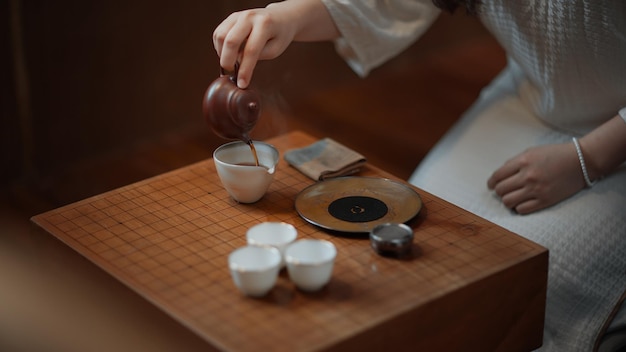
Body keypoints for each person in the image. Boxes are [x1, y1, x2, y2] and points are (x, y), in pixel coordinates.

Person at [212, 1, 626, 351]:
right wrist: (286, 16)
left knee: (537, 280)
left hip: (615, 139)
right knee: (419, 229)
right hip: (532, 95)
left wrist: (587, 159)